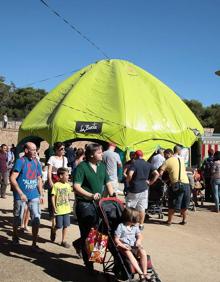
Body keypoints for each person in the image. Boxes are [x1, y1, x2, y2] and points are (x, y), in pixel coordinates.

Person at [73, 143, 114, 271]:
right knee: (88, 234)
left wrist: (112, 195)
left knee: (101, 231)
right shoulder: (82, 167)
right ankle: (89, 265)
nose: (102, 154)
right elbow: (76, 187)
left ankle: (89, 252)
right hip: (84, 204)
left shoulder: (102, 166)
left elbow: (108, 182)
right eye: (99, 152)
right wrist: (90, 195)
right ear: (91, 154)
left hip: (98, 204)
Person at [10, 142, 44, 251]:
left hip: (34, 194)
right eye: (32, 149)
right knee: (17, 217)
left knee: (36, 217)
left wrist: (41, 193)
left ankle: (34, 243)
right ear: (26, 150)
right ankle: (15, 236)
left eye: (36, 149)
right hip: (21, 195)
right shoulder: (20, 162)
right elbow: (12, 178)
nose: (35, 151)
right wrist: (20, 193)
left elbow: (39, 178)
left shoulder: (36, 162)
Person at [114, 207, 150, 282]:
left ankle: (145, 272)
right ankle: (141, 274)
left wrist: (139, 241)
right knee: (128, 253)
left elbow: (139, 235)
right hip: (124, 245)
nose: (137, 221)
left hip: (134, 245)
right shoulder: (121, 226)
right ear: (130, 219)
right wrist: (122, 245)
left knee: (143, 252)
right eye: (136, 219)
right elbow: (116, 239)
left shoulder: (135, 226)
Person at [126, 150, 159, 230]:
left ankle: (129, 224)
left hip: (134, 188)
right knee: (142, 208)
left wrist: (128, 181)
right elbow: (157, 174)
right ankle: (141, 225)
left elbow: (130, 174)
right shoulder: (148, 164)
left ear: (135, 156)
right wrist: (150, 182)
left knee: (130, 207)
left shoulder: (134, 163)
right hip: (145, 188)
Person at [159, 149, 191, 225]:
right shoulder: (181, 159)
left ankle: (169, 221)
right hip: (186, 183)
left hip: (176, 184)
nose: (165, 157)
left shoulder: (167, 161)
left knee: (172, 203)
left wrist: (163, 180)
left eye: (165, 155)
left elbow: (160, 173)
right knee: (184, 203)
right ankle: (184, 220)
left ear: (169, 153)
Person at [47, 142, 68, 240]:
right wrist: (50, 181)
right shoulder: (52, 158)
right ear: (56, 150)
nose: (63, 150)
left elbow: (66, 171)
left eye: (64, 149)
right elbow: (49, 171)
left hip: (61, 181)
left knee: (61, 201)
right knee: (53, 203)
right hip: (54, 180)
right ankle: (53, 224)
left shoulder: (65, 159)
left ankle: (58, 229)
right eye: (61, 149)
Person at [51, 167, 72, 247]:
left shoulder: (68, 185)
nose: (68, 177)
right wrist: (54, 207)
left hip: (66, 209)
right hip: (59, 209)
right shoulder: (56, 185)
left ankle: (63, 241)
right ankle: (54, 230)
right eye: (66, 175)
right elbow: (53, 197)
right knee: (59, 225)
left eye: (68, 175)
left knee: (66, 225)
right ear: (60, 176)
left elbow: (68, 195)